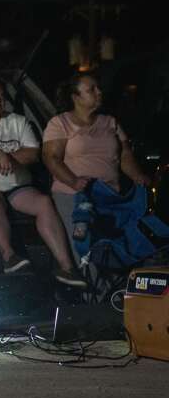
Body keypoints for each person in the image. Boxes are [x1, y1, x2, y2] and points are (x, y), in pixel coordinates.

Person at [0, 76, 86, 287]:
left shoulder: (18, 121)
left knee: (44, 202)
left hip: (16, 185)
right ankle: (9, 257)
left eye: (1, 94)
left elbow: (33, 154)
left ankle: (67, 267)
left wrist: (7, 158)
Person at [42, 72, 151, 261]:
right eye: (91, 89)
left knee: (116, 249)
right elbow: (51, 157)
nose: (99, 92)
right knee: (86, 250)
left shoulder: (110, 122)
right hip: (74, 194)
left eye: (98, 88)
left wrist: (137, 175)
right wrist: (74, 181)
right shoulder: (60, 123)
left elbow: (124, 154)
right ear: (76, 97)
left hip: (109, 195)